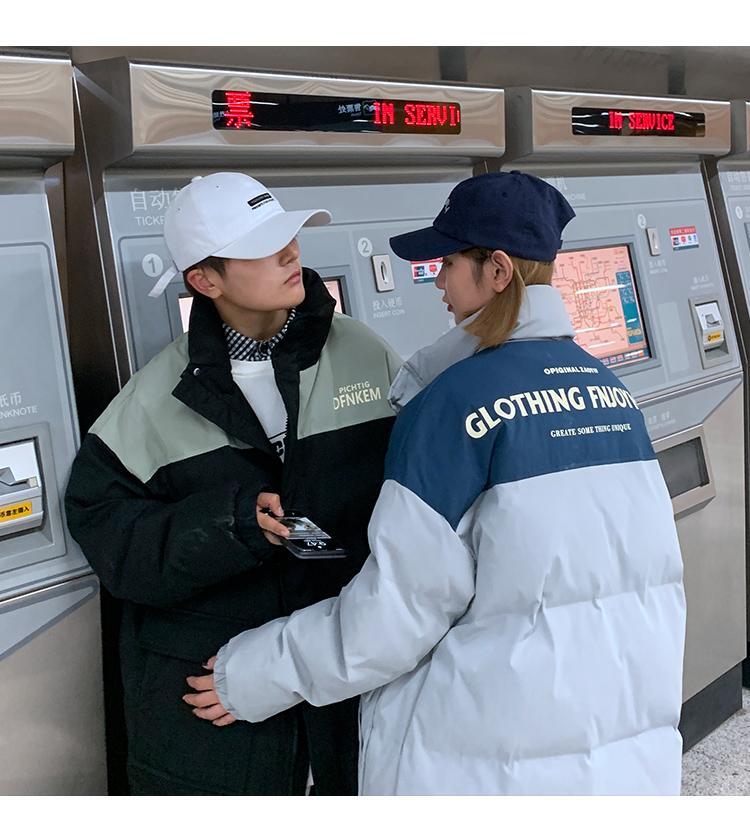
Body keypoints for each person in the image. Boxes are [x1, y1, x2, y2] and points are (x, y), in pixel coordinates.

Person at [184, 170, 686, 795]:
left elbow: (393, 620)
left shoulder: (451, 405)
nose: (437, 282)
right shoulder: (611, 392)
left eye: (447, 263)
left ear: (497, 271)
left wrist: (254, 673)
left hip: (491, 761)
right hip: (615, 750)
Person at [65, 172, 402, 795]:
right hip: (219, 714)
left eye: (290, 236)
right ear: (205, 281)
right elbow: (110, 537)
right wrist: (230, 524)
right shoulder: (153, 399)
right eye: (263, 247)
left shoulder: (366, 354)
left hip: (351, 691)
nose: (291, 252)